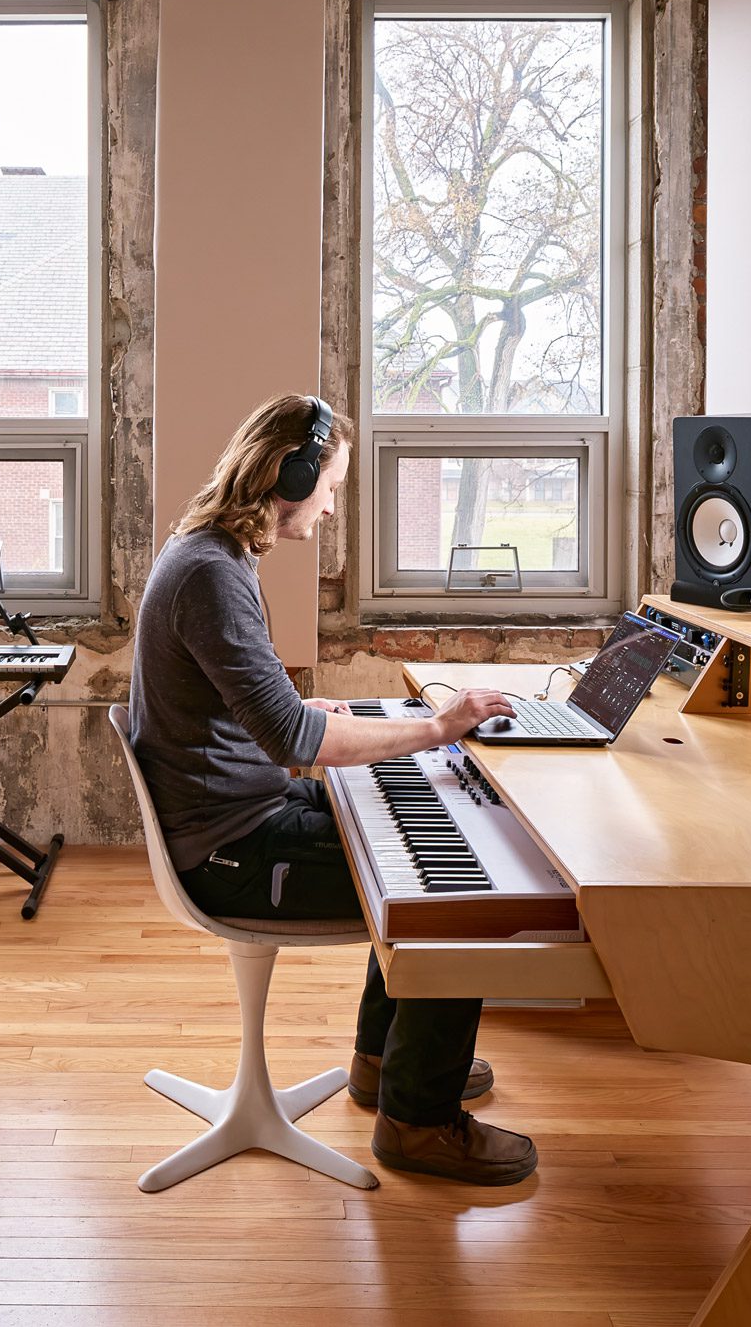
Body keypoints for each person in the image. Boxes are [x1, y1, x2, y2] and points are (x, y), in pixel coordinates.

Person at [128, 392, 538, 1185]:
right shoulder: (211, 573)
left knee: (414, 820)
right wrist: (435, 727)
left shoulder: (214, 555)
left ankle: (386, 1066)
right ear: (292, 471)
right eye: (331, 484)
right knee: (460, 892)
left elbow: (259, 714)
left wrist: (297, 707)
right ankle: (419, 1123)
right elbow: (296, 743)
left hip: (243, 813)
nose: (331, 501)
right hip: (232, 853)